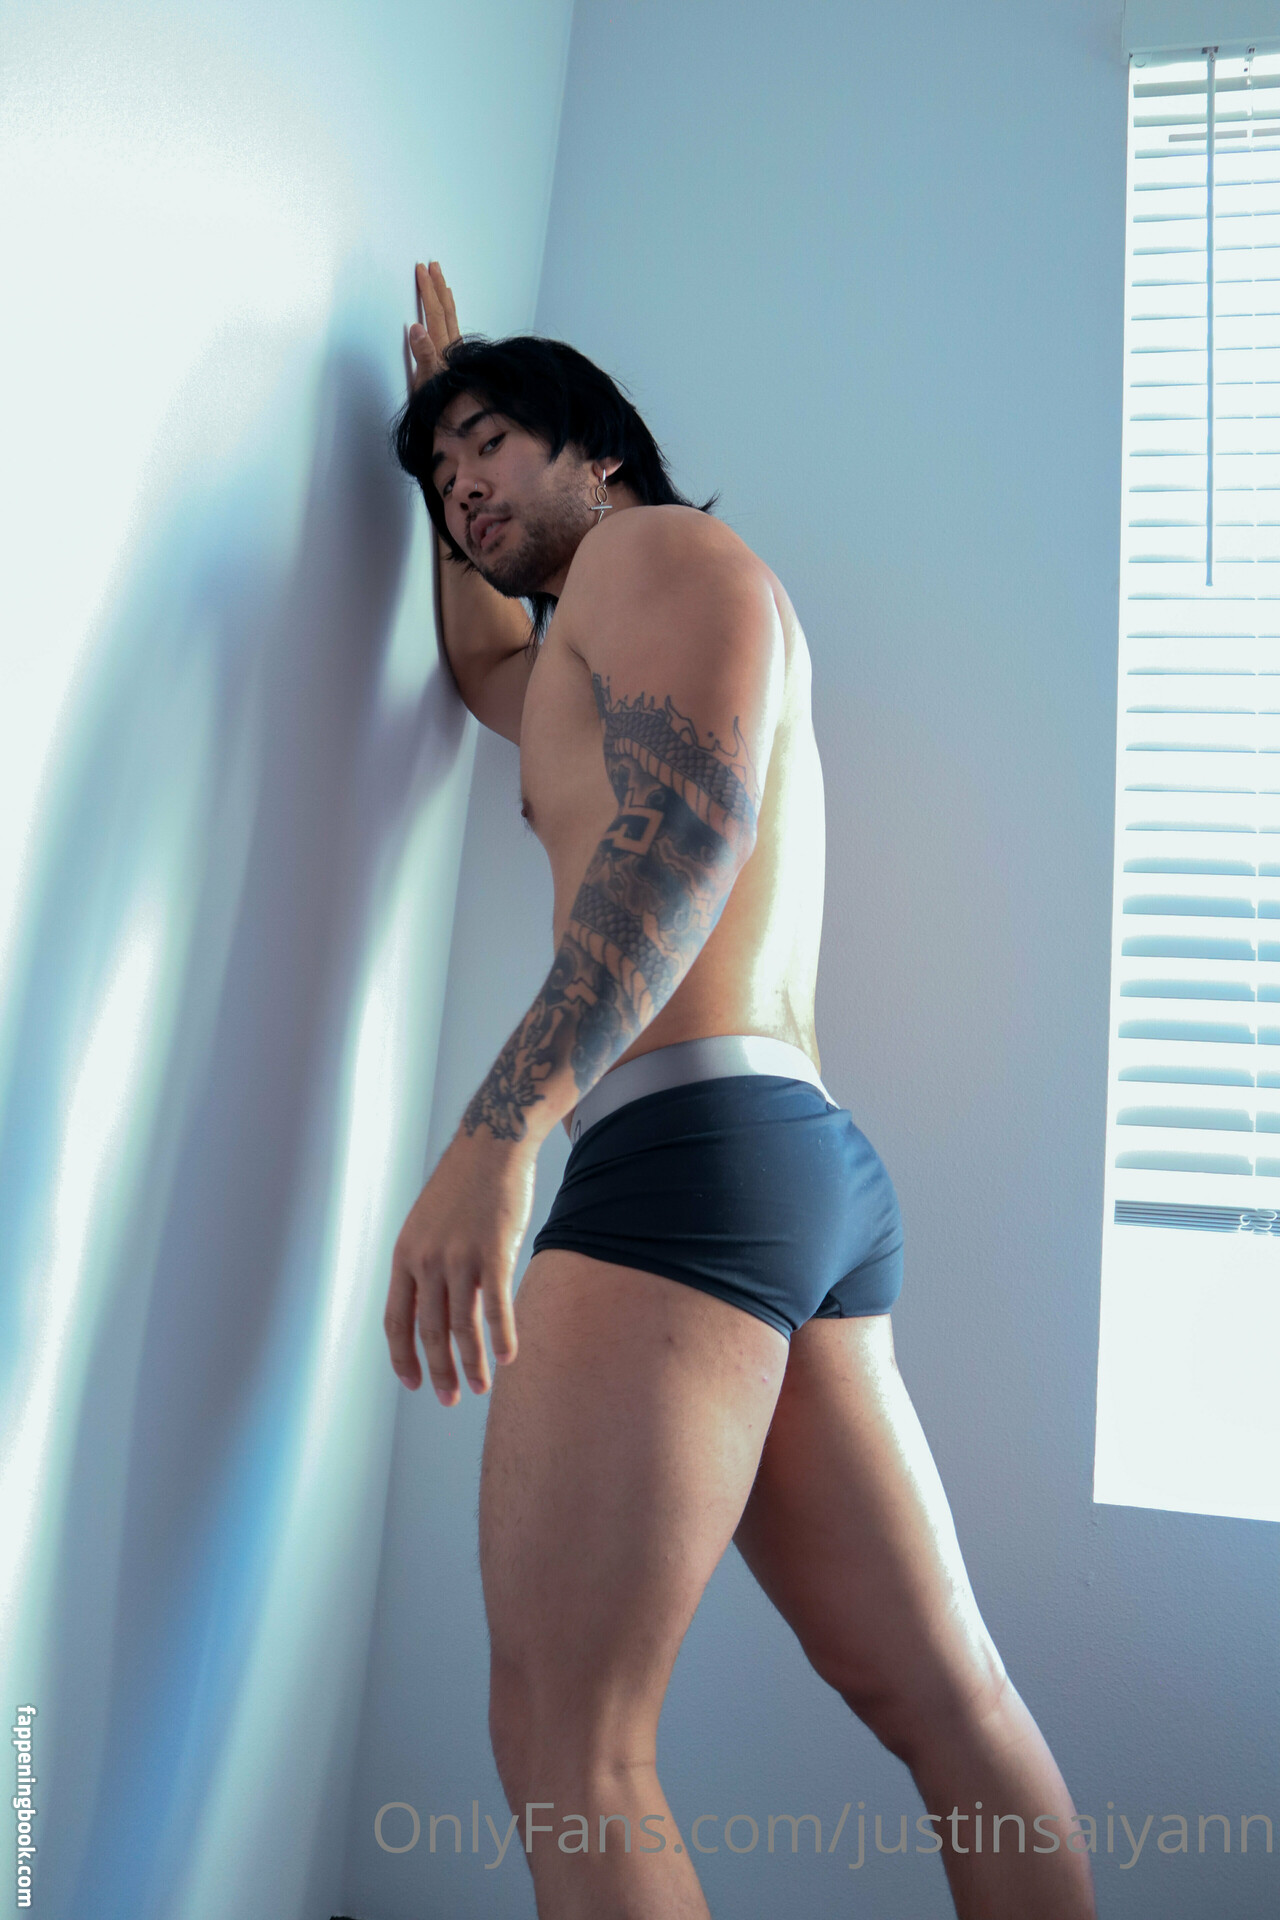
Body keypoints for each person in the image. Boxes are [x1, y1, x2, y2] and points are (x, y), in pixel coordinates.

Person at [383, 260, 1097, 1920]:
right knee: (943, 1698)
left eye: (493, 445)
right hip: (777, 1165)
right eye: (442, 470)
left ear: (600, 451)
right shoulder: (580, 644)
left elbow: (689, 829)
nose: (466, 485)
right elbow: (489, 669)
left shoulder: (658, 554)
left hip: (687, 1155)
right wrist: (443, 457)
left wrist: (502, 1131)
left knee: (568, 1744)